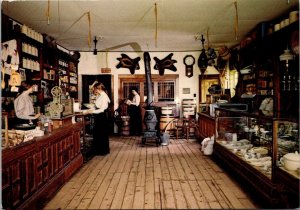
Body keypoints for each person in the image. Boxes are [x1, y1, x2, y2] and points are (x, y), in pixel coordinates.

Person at [86, 82, 111, 156]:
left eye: (95, 89)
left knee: (101, 134)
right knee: (97, 133)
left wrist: (92, 111)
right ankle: (98, 150)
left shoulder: (104, 97)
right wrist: (91, 109)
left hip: (102, 117)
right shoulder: (100, 95)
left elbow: (102, 110)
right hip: (99, 117)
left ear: (98, 89)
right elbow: (97, 105)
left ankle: (102, 151)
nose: (94, 90)